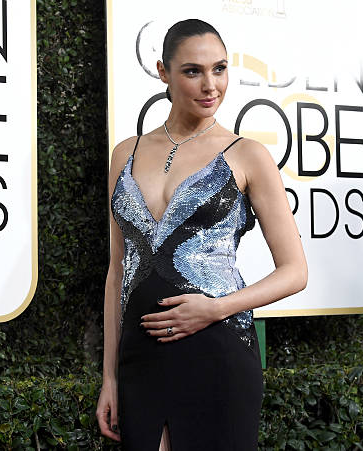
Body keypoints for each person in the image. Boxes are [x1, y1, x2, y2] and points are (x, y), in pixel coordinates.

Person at [96, 18, 308, 450]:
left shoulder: (248, 155)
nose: (211, 85)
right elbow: (117, 272)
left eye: (220, 68)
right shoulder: (126, 153)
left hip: (218, 351)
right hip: (142, 360)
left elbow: (295, 272)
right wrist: (109, 377)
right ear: (163, 72)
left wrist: (215, 309)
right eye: (193, 71)